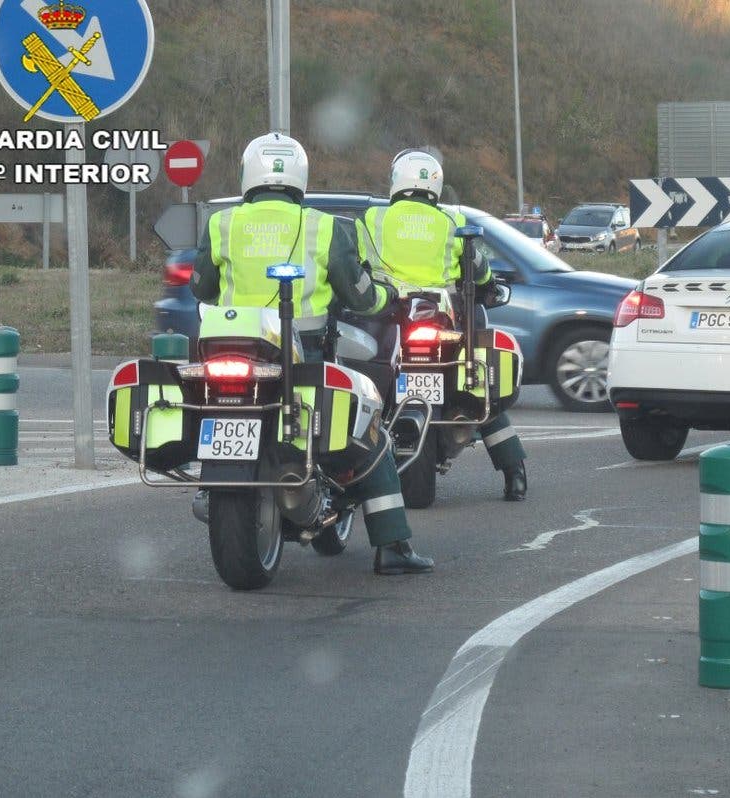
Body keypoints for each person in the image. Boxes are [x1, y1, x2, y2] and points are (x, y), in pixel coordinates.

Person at [190, 132, 433, 575]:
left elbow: (200, 287)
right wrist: (386, 300)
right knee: (371, 437)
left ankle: (213, 483)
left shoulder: (221, 224)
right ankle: (393, 546)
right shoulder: (325, 227)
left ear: (248, 175)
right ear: (300, 176)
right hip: (305, 357)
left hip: (228, 352)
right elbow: (359, 296)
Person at [360, 149, 527, 501]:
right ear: (435, 185)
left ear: (396, 182)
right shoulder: (451, 221)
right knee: (481, 391)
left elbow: (356, 269)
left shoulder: (373, 219)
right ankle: (515, 474)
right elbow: (479, 270)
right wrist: (489, 287)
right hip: (443, 322)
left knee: (369, 391)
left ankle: (363, 470)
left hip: (392, 321)